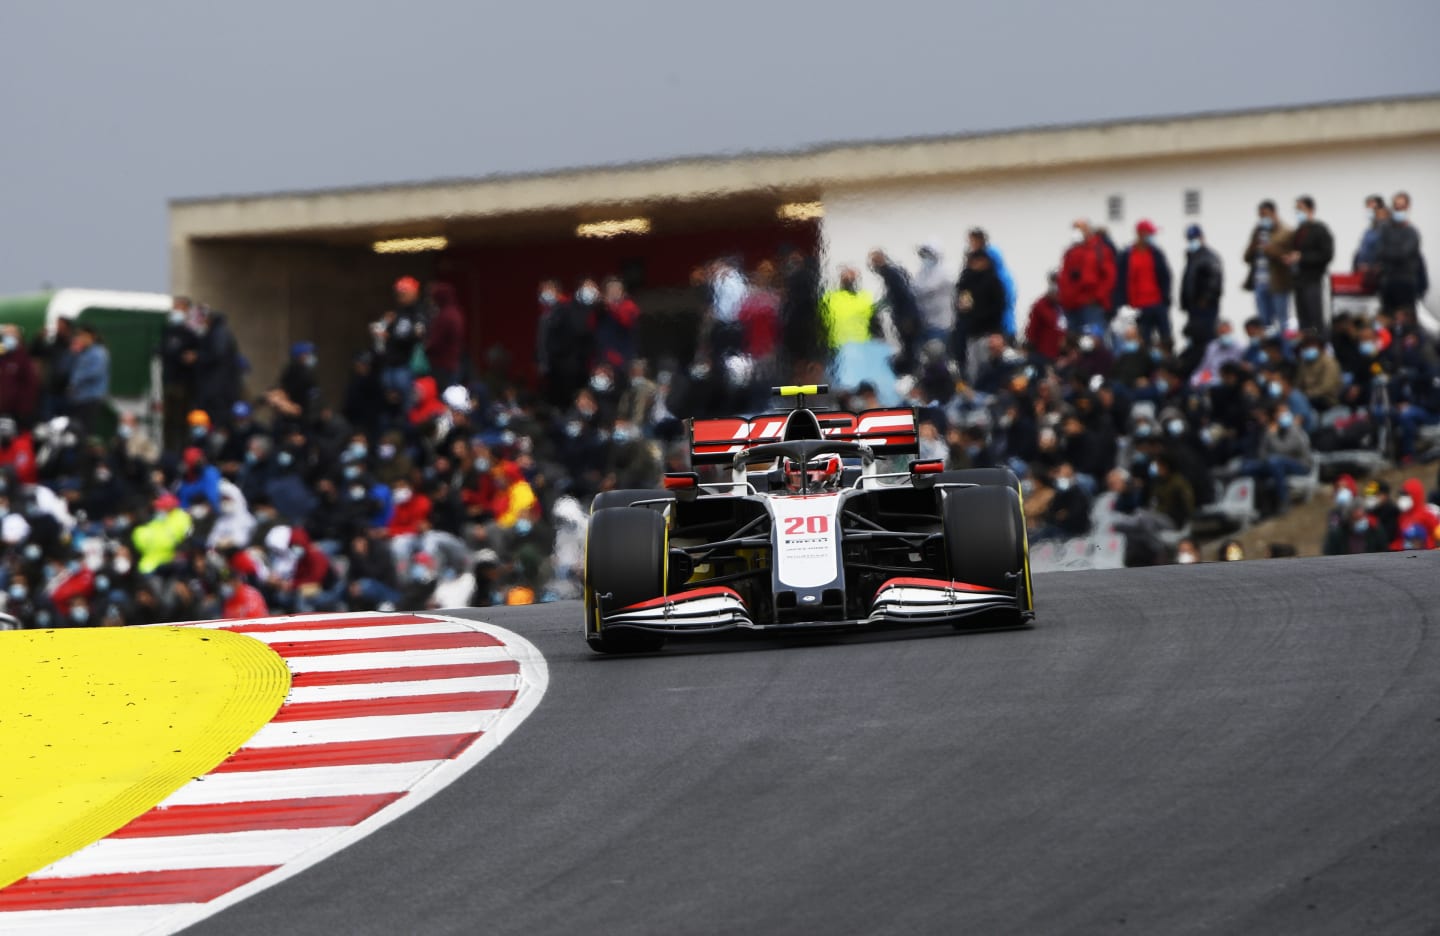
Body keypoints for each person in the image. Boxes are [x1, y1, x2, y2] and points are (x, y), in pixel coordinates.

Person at [1239, 405, 1312, 512]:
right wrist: (1269, 435)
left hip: (1300, 465)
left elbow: (1284, 450)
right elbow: (1261, 453)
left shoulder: (1294, 429)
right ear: (1275, 416)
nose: (1284, 415)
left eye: (1285, 412)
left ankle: (1284, 500)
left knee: (1275, 462)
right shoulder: (1272, 430)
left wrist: (1272, 436)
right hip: (1275, 464)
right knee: (1247, 467)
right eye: (1280, 413)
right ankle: (1260, 505)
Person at [1115, 220, 1173, 346]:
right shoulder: (1126, 255)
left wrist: (1165, 299)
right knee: (1143, 340)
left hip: (1157, 304)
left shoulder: (1156, 254)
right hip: (1137, 307)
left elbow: (1166, 276)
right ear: (1140, 233)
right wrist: (1122, 305)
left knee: (1166, 339)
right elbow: (1120, 281)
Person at [1285, 196, 1335, 336]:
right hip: (1298, 279)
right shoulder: (1298, 231)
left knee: (1315, 317)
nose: (1298, 212)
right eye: (1297, 210)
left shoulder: (1320, 230)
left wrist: (1303, 257)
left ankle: (1320, 342)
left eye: (1301, 209)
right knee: (1303, 319)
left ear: (1311, 209)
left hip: (1313, 279)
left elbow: (1327, 255)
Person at [1243, 200, 1294, 335]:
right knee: (1264, 323)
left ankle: (1284, 351)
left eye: (1265, 215)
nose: (1262, 219)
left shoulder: (1286, 232)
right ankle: (1269, 351)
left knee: (1282, 321)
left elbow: (1289, 257)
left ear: (1274, 214)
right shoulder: (1258, 232)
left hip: (1278, 284)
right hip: (1260, 283)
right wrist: (1254, 244)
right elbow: (1246, 258)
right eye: (1260, 216)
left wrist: (1269, 249)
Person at [955, 249, 1007, 380]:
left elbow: (999, 308)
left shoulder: (993, 282)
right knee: (973, 371)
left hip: (988, 334)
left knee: (988, 370)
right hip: (972, 334)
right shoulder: (966, 281)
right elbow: (963, 305)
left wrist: (997, 332)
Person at [1058, 220, 1115, 337]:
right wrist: (1064, 298)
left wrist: (1097, 297)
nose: (1076, 232)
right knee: (1073, 341)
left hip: (1091, 305)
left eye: (1079, 229)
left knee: (1093, 339)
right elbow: (1065, 277)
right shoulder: (1070, 252)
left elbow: (1109, 277)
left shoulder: (1100, 250)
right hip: (1071, 305)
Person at [1375, 191, 1426, 317]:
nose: (1399, 209)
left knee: (1406, 320)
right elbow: (1379, 251)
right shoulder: (1384, 229)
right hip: (1387, 281)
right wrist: (1393, 252)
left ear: (1407, 207)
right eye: (1396, 206)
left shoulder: (1412, 232)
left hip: (1406, 282)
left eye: (1402, 207)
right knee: (1387, 319)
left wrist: (1391, 251)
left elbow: (1404, 254)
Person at [1179, 224, 1224, 360]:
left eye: (1195, 238)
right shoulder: (1192, 257)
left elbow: (1215, 280)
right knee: (1195, 337)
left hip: (1206, 306)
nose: (1192, 241)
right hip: (1193, 307)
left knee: (1207, 336)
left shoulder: (1209, 256)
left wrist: (1206, 298)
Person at [868, 250, 921, 366]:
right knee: (908, 348)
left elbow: (904, 294)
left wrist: (908, 318)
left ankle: (911, 372)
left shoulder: (891, 274)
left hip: (907, 318)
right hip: (905, 316)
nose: (872, 266)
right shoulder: (895, 271)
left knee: (910, 349)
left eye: (873, 262)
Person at [970, 229, 1017, 340]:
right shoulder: (979, 278)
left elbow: (1005, 301)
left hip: (1001, 327)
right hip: (988, 327)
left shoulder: (999, 278)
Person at [66, 323, 110, 438]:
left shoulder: (99, 353)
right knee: (75, 430)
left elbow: (94, 372)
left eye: (84, 336)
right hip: (78, 398)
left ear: (92, 337)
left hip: (90, 398)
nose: (81, 339)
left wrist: (76, 381)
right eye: (79, 336)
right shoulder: (82, 353)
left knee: (85, 432)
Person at [820, 267, 875, 357]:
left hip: (860, 348)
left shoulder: (865, 298)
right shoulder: (829, 298)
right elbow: (821, 326)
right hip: (837, 350)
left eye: (851, 278)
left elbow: (874, 326)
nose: (849, 279)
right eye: (846, 278)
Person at [912, 242, 955, 351]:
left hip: (940, 324)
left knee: (937, 354)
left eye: (928, 255)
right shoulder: (922, 272)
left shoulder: (945, 273)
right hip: (924, 322)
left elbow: (925, 289)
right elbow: (914, 288)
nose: (925, 258)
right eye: (923, 255)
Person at [425, 282, 466, 391]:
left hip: (442, 365)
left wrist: (426, 347)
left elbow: (435, 342)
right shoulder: (455, 313)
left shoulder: (445, 316)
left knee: (442, 396)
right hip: (453, 363)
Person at [0, 324, 39, 427]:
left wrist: (24, 409)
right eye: (4, 336)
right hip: (3, 409)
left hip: (18, 412)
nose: (6, 339)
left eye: (9, 335)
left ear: (17, 338)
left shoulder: (23, 358)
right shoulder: (3, 357)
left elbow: (31, 385)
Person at [1024, 272, 1066, 364]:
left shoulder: (1068, 306)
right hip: (1043, 353)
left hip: (1063, 355)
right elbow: (1032, 329)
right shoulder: (1041, 306)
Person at [1389, 477, 1439, 550]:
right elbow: (1400, 539)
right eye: (1402, 495)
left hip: (1426, 554)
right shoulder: (1402, 517)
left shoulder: (1427, 515)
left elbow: (1437, 533)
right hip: (1405, 556)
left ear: (1415, 495)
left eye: (1406, 495)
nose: (1403, 498)